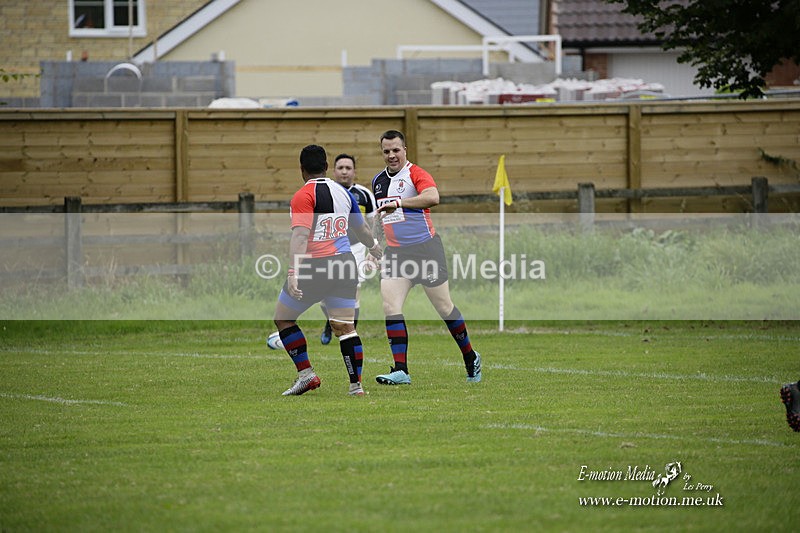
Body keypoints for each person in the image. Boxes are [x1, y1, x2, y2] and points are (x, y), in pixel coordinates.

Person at [370, 129, 481, 385]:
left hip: (425, 249)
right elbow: (380, 216)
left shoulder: (415, 173)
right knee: (390, 306)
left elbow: (433, 197)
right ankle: (401, 370)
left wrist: (399, 203)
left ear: (405, 149)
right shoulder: (377, 181)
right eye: (386, 151)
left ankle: (470, 356)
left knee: (444, 308)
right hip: (396, 253)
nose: (391, 155)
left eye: (396, 150)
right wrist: (372, 247)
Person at [273, 144, 382, 396]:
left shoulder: (303, 195)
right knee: (345, 327)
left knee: (283, 318)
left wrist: (293, 273)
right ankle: (356, 386)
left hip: (315, 266)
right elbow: (362, 229)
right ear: (326, 166)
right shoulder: (344, 193)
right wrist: (375, 247)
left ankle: (306, 374)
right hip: (344, 264)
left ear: (301, 169)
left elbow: (300, 237)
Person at [319, 153, 377, 345]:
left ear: (354, 171)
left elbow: (373, 222)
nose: (344, 172)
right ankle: (330, 322)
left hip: (357, 247)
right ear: (333, 171)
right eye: (340, 168)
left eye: (348, 168)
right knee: (323, 292)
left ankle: (351, 332)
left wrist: (372, 247)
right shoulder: (327, 192)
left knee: (355, 290)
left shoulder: (363, 194)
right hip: (331, 247)